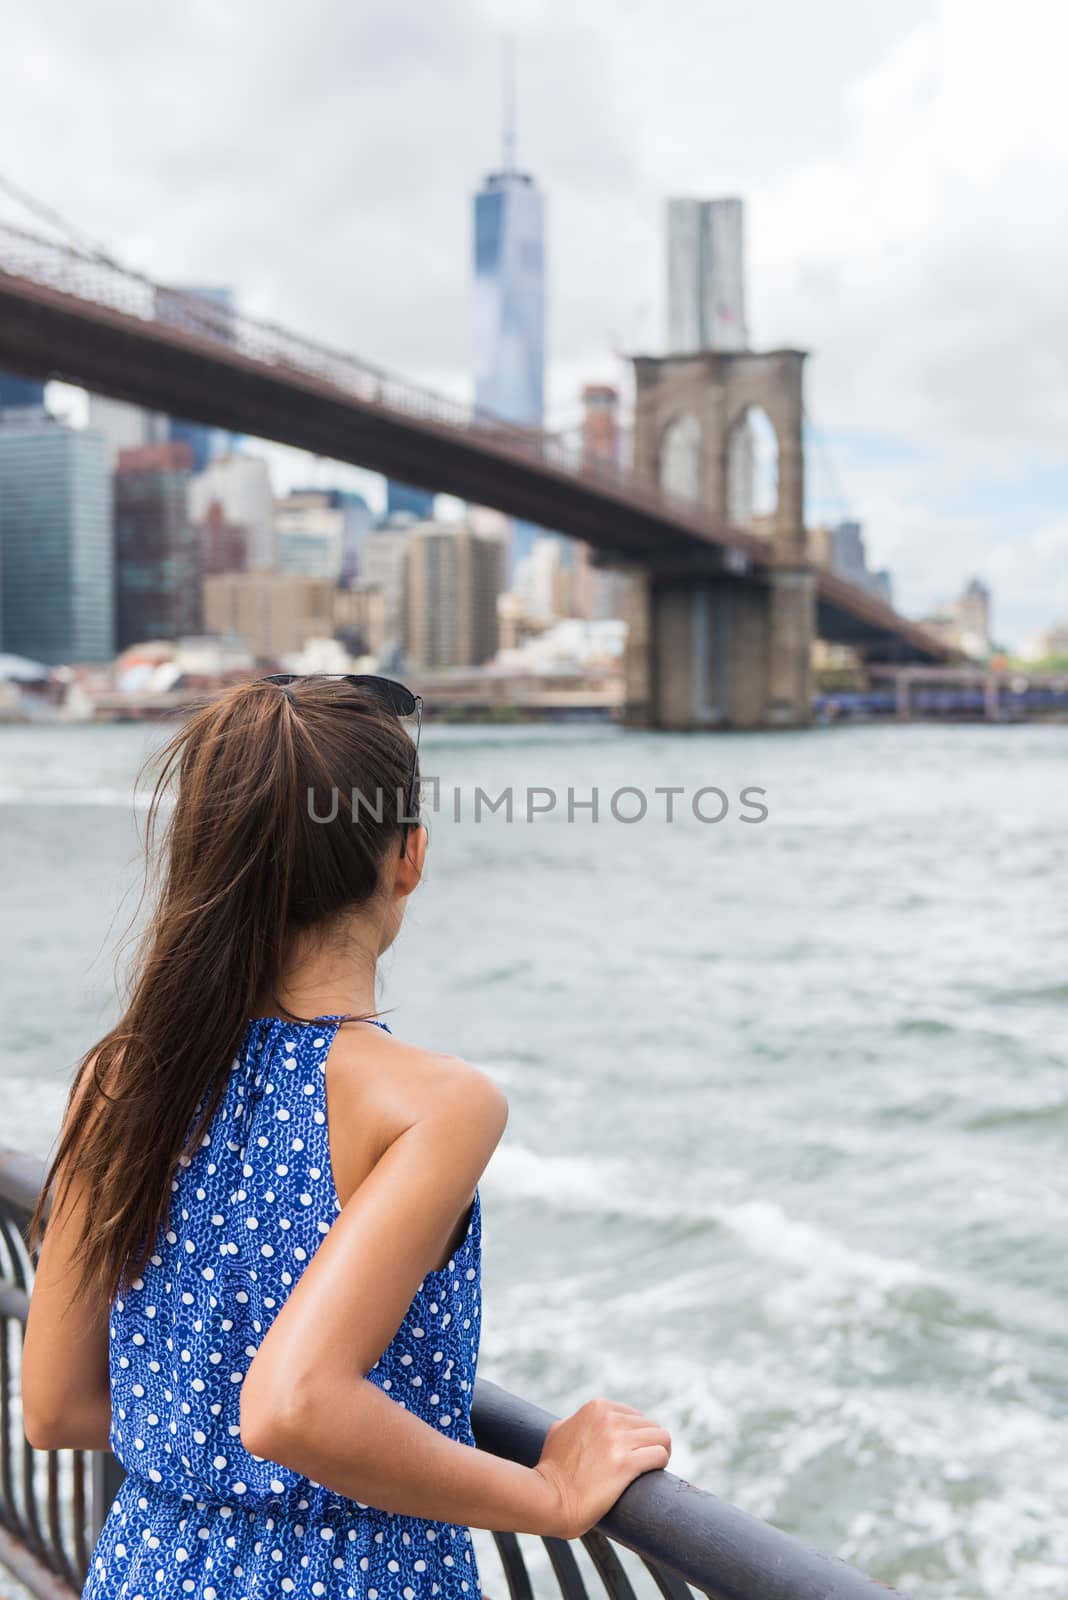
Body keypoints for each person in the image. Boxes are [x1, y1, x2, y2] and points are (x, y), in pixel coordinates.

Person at [21, 673, 672, 1600]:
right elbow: (296, 1406)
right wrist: (549, 1494)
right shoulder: (433, 1104)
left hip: (149, 1566)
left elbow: (56, 1407)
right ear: (408, 856)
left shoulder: (121, 1081)